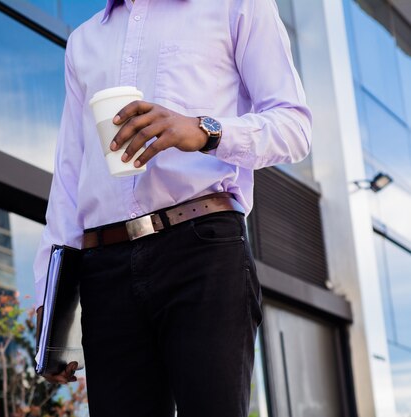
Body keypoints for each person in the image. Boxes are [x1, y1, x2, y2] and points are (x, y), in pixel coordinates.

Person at [33, 0, 312, 415]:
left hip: (202, 250)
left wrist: (203, 131)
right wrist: (49, 294)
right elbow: (69, 174)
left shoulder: (238, 5)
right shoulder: (84, 41)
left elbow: (295, 128)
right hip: (103, 270)